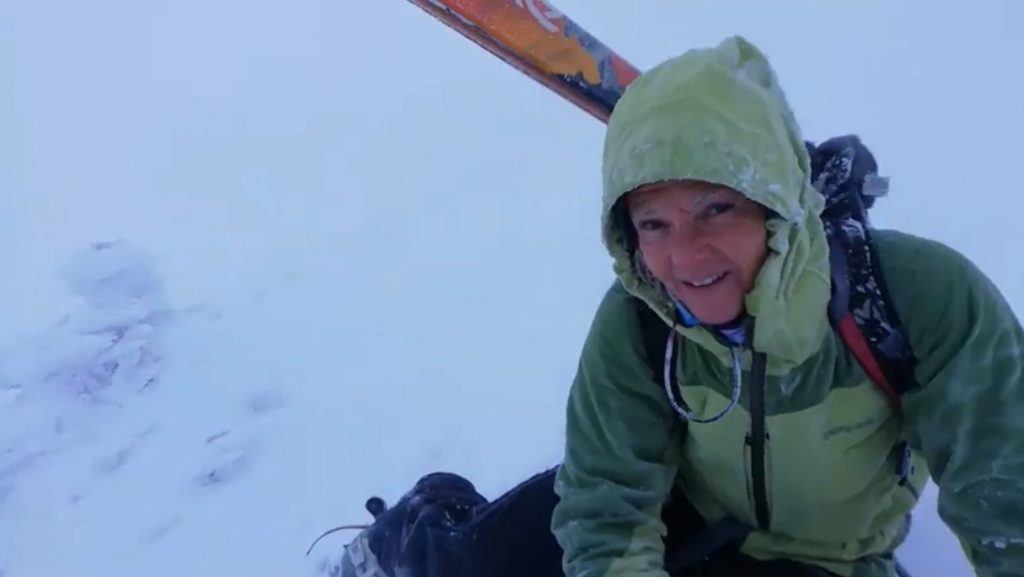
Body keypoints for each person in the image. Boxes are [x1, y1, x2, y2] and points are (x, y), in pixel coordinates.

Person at [331, 35, 1024, 577]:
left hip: (825, 558)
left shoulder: (914, 296)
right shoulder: (640, 313)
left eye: (715, 209)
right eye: (653, 224)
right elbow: (606, 499)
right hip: (677, 506)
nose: (685, 258)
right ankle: (411, 525)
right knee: (471, 562)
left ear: (777, 208)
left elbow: (1006, 488)